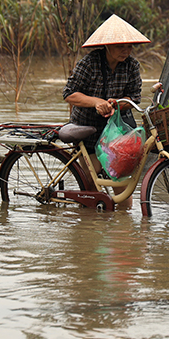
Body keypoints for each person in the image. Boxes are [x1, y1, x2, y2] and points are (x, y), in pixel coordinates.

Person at [63, 13, 151, 209]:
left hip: (115, 134)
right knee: (92, 183)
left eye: (129, 47)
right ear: (108, 46)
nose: (126, 51)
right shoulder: (89, 63)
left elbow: (133, 98)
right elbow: (69, 94)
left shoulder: (132, 66)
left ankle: (122, 228)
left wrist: (118, 103)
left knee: (122, 187)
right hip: (87, 129)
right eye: (121, 46)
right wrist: (96, 102)